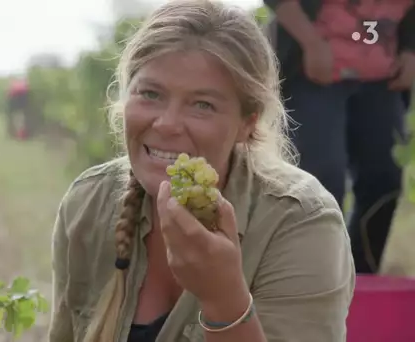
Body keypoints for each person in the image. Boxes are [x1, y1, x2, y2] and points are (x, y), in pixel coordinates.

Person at [49, 1, 355, 342]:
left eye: (202, 105)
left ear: (247, 124)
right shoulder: (88, 204)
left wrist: (223, 298)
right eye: (150, 94)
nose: (166, 124)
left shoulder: (300, 222)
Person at [263, 0, 415, 274]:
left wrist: (410, 49)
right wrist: (310, 42)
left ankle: (360, 277)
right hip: (313, 69)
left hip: (382, 77)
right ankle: (311, 276)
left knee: (384, 182)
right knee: (319, 178)